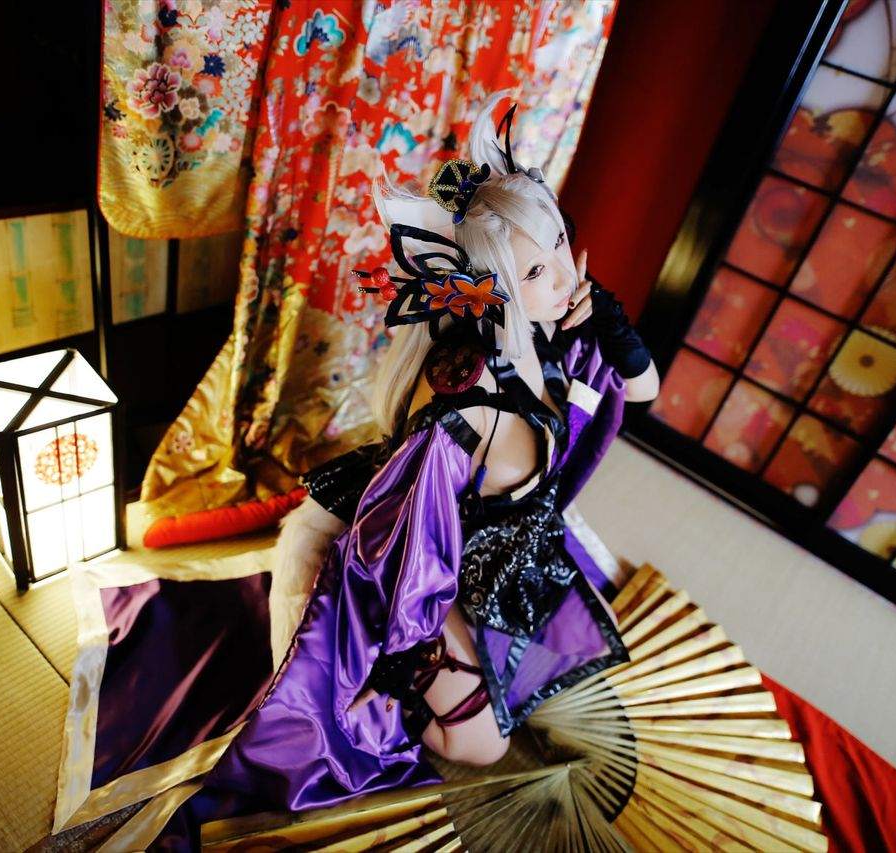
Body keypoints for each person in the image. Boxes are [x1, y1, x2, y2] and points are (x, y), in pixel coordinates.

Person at [50, 92, 660, 851]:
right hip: (423, 562)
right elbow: (400, 555)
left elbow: (641, 390)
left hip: (499, 547)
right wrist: (404, 656)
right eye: (537, 266)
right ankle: (388, 669)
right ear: (494, 286)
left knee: (562, 665)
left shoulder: (554, 323)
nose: (565, 272)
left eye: (561, 239)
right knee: (485, 743)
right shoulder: (467, 403)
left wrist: (610, 323)